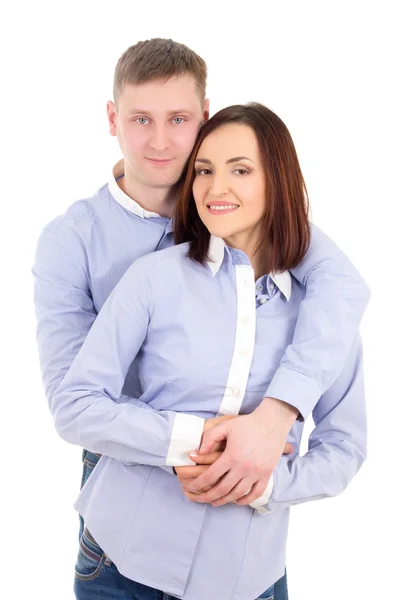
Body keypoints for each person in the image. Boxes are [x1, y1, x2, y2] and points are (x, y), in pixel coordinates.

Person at [32, 39, 369, 599]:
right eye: (141, 118)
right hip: (124, 492)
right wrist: (200, 443)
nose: (160, 141)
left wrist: (271, 426)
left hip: (242, 559)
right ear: (112, 119)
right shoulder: (81, 245)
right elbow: (75, 403)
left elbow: (343, 287)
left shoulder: (294, 271)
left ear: (203, 118)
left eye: (179, 119)